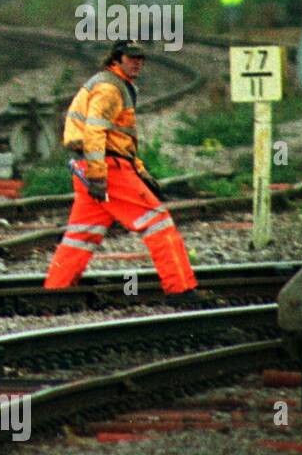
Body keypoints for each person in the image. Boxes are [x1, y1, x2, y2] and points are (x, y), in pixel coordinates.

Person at [43, 39, 198, 295]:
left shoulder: (111, 84)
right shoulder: (110, 89)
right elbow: (95, 131)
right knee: (158, 223)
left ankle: (54, 292)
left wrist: (139, 171)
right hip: (106, 169)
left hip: (92, 168)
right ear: (116, 60)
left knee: (81, 236)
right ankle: (181, 289)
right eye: (131, 58)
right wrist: (98, 175)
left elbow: (118, 139)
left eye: (141, 58)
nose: (138, 63)